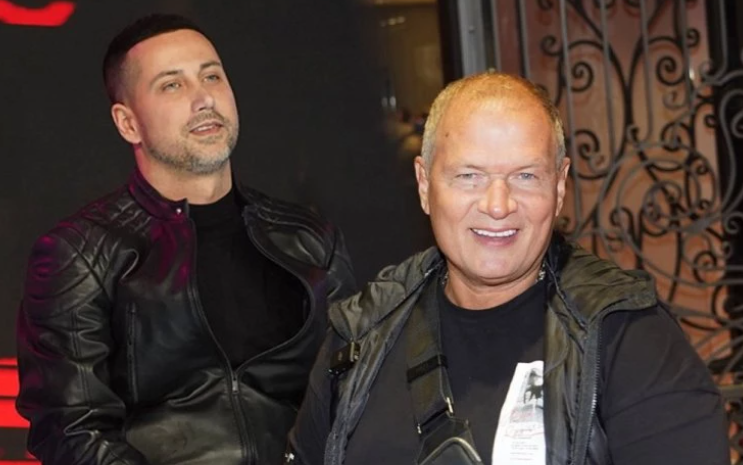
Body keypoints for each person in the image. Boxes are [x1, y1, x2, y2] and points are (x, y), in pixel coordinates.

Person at [286, 72, 730, 465]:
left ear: (559, 186)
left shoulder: (627, 339)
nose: (497, 205)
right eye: (469, 176)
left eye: (525, 176)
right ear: (424, 184)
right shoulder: (360, 336)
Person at [15, 13, 356, 465]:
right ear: (128, 123)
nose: (204, 98)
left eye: (211, 76)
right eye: (172, 85)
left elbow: (357, 396)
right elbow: (72, 430)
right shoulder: (80, 254)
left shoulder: (310, 239)